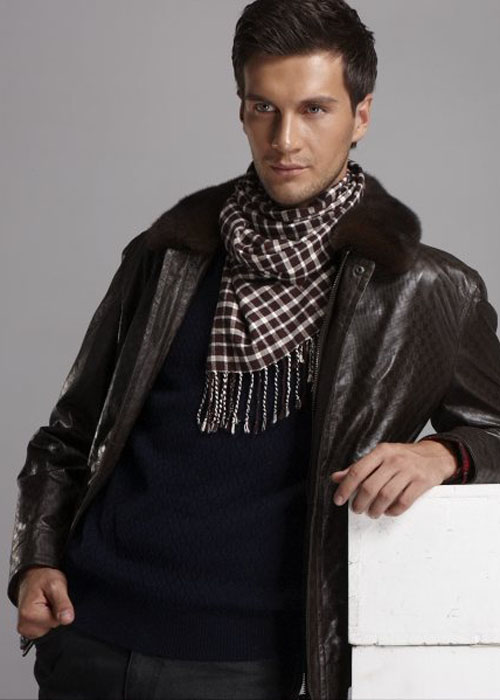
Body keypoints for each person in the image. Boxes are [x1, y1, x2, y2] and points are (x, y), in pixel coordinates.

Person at [7, 0, 500, 698]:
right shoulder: (168, 256)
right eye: (263, 108)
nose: (285, 139)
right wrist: (36, 560)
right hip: (90, 639)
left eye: (315, 109)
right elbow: (69, 433)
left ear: (361, 116)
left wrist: (443, 454)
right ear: (241, 111)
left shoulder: (427, 290)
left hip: (250, 664)